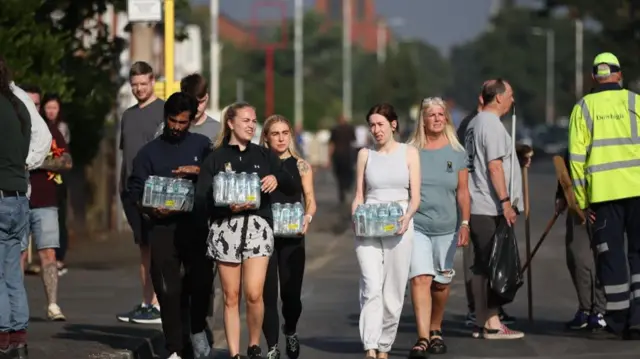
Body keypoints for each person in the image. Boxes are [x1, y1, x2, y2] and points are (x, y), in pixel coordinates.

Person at [194, 102, 297, 359]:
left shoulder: (264, 155)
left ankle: (253, 344)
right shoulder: (215, 157)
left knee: (253, 293)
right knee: (231, 296)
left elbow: (291, 182)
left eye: (254, 121)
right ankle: (235, 353)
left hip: (257, 228)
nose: (251, 125)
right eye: (246, 120)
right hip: (225, 228)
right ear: (230, 123)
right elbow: (200, 199)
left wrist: (276, 178)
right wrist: (224, 205)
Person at [128, 92, 214, 359]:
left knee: (199, 284)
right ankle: (174, 347)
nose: (177, 127)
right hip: (162, 227)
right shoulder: (149, 152)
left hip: (196, 226)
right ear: (165, 118)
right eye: (172, 121)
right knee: (167, 289)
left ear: (191, 120)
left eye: (183, 122)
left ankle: (196, 331)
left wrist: (199, 173)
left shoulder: (202, 145)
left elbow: (219, 176)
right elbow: (135, 187)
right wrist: (150, 208)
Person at [568, 52, 640, 339]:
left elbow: (575, 159)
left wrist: (581, 203)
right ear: (619, 75)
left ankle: (618, 319)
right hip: (638, 192)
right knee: (638, 255)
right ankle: (638, 319)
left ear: (593, 78)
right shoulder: (636, 102)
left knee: (611, 259)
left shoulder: (584, 107)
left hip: (604, 197)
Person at [352, 103, 420, 359]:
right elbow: (359, 194)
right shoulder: (365, 155)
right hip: (369, 223)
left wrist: (407, 217)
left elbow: (415, 197)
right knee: (370, 286)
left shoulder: (409, 153)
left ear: (393, 124)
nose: (375, 130)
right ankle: (370, 345)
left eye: (380, 124)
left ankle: (384, 346)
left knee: (392, 292)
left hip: (399, 223)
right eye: (371, 125)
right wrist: (355, 217)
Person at [406, 97, 470, 357]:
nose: (436, 119)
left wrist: (465, 222)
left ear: (446, 119)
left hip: (447, 227)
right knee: (421, 278)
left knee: (441, 285)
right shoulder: (410, 150)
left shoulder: (456, 152)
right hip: (417, 225)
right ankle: (422, 338)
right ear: (422, 119)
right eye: (431, 115)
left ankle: (435, 329)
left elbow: (463, 193)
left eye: (440, 114)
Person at [463, 79, 524, 339]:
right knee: (494, 263)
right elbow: (495, 166)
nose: (512, 99)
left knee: (480, 266)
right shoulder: (491, 125)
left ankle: (480, 319)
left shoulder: (476, 122)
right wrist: (506, 202)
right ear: (498, 98)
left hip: (476, 204)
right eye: (510, 94)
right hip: (488, 206)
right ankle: (492, 323)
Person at [260, 115, 317, 359]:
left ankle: (290, 330)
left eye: (285, 133)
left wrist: (308, 217)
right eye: (275, 133)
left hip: (293, 236)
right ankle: (272, 345)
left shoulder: (301, 165)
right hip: (264, 235)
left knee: (291, 295)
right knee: (267, 294)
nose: (281, 138)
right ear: (266, 137)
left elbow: (310, 198)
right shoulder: (260, 163)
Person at [117, 61, 165, 324]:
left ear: (152, 81)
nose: (138, 89)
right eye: (134, 85)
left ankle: (158, 303)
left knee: (157, 247)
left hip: (154, 191)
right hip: (131, 192)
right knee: (144, 248)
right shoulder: (128, 115)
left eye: (143, 84)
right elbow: (127, 153)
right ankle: (147, 303)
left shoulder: (163, 111)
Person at [20, 96, 73, 322]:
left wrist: (36, 161)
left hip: (45, 201)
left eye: (36, 103)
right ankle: (16, 305)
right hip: (18, 199)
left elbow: (67, 161)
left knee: (48, 252)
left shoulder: (50, 130)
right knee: (17, 254)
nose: (33, 107)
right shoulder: (14, 129)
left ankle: (52, 304)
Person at [0, 55, 33, 359]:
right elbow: (25, 149)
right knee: (12, 271)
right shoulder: (18, 106)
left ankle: (2, 340)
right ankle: (19, 341)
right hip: (19, 197)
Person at [554, 150, 606, 331]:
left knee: (604, 259)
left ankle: (600, 311)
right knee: (576, 258)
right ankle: (585, 309)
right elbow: (570, 159)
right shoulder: (578, 123)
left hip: (605, 203)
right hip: (577, 204)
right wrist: (561, 193)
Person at [40, 94, 71, 277]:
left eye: (55, 108)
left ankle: (59, 257)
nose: (51, 111)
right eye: (48, 107)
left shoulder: (62, 128)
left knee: (60, 215)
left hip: (58, 178)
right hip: (41, 179)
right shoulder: (39, 127)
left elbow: (64, 156)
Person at [155, 73, 221, 141]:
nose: (196, 107)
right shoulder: (166, 128)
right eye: (192, 102)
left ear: (207, 97)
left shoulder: (218, 130)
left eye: (200, 102)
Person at [328, 115, 356, 204]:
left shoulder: (335, 129)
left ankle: (342, 190)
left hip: (338, 154)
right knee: (348, 172)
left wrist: (329, 157)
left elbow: (332, 144)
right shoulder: (350, 128)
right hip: (347, 154)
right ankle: (346, 186)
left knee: (339, 174)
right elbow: (353, 141)